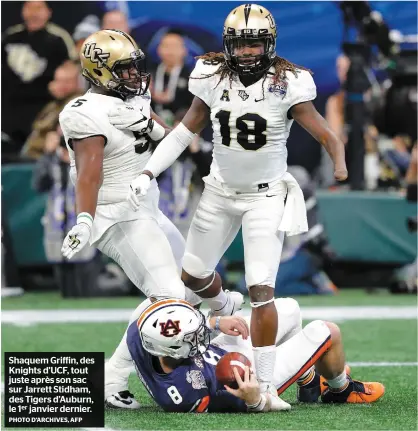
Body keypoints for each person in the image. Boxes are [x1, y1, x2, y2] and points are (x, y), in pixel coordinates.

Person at [125, 3, 347, 399]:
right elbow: (181, 134)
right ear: (228, 44)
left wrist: (340, 161)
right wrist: (147, 171)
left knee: (262, 288)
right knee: (190, 279)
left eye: (254, 44)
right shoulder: (210, 75)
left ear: (270, 43)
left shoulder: (289, 82)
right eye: (240, 44)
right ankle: (226, 304)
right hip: (219, 193)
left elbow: (327, 134)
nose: (246, 52)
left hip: (265, 197)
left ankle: (264, 384)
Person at [58, 29, 243, 404]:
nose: (134, 75)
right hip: (115, 215)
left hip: (145, 208)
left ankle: (112, 375)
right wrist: (84, 219)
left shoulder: (133, 98)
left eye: (134, 67)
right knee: (169, 296)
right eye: (124, 70)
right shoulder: (84, 113)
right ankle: (115, 380)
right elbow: (89, 173)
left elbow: (165, 136)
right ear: (100, 72)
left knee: (188, 284)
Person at [105, 298, 385, 413]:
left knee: (287, 309)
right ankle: (339, 389)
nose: (199, 333)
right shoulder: (187, 392)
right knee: (327, 331)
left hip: (225, 352)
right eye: (193, 336)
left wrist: (213, 324)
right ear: (174, 349)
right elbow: (245, 400)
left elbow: (164, 320)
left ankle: (309, 379)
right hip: (242, 372)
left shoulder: (141, 336)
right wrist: (257, 400)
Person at [2, 1, 76, 150]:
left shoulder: (58, 38)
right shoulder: (10, 37)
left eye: (39, 8)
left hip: (44, 110)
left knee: (34, 152)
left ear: (48, 12)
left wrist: (61, 87)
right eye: (30, 8)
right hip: (9, 109)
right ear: (23, 11)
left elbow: (72, 70)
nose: (34, 13)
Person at [22, 61, 83, 160]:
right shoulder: (53, 105)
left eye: (66, 81)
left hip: (45, 159)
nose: (60, 85)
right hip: (32, 155)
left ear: (78, 83)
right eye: (58, 80)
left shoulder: (76, 105)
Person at [151, 30, 194, 125]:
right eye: (166, 46)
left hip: (182, 127)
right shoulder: (149, 74)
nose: (170, 51)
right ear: (158, 49)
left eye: (175, 46)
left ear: (184, 50)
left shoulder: (193, 77)